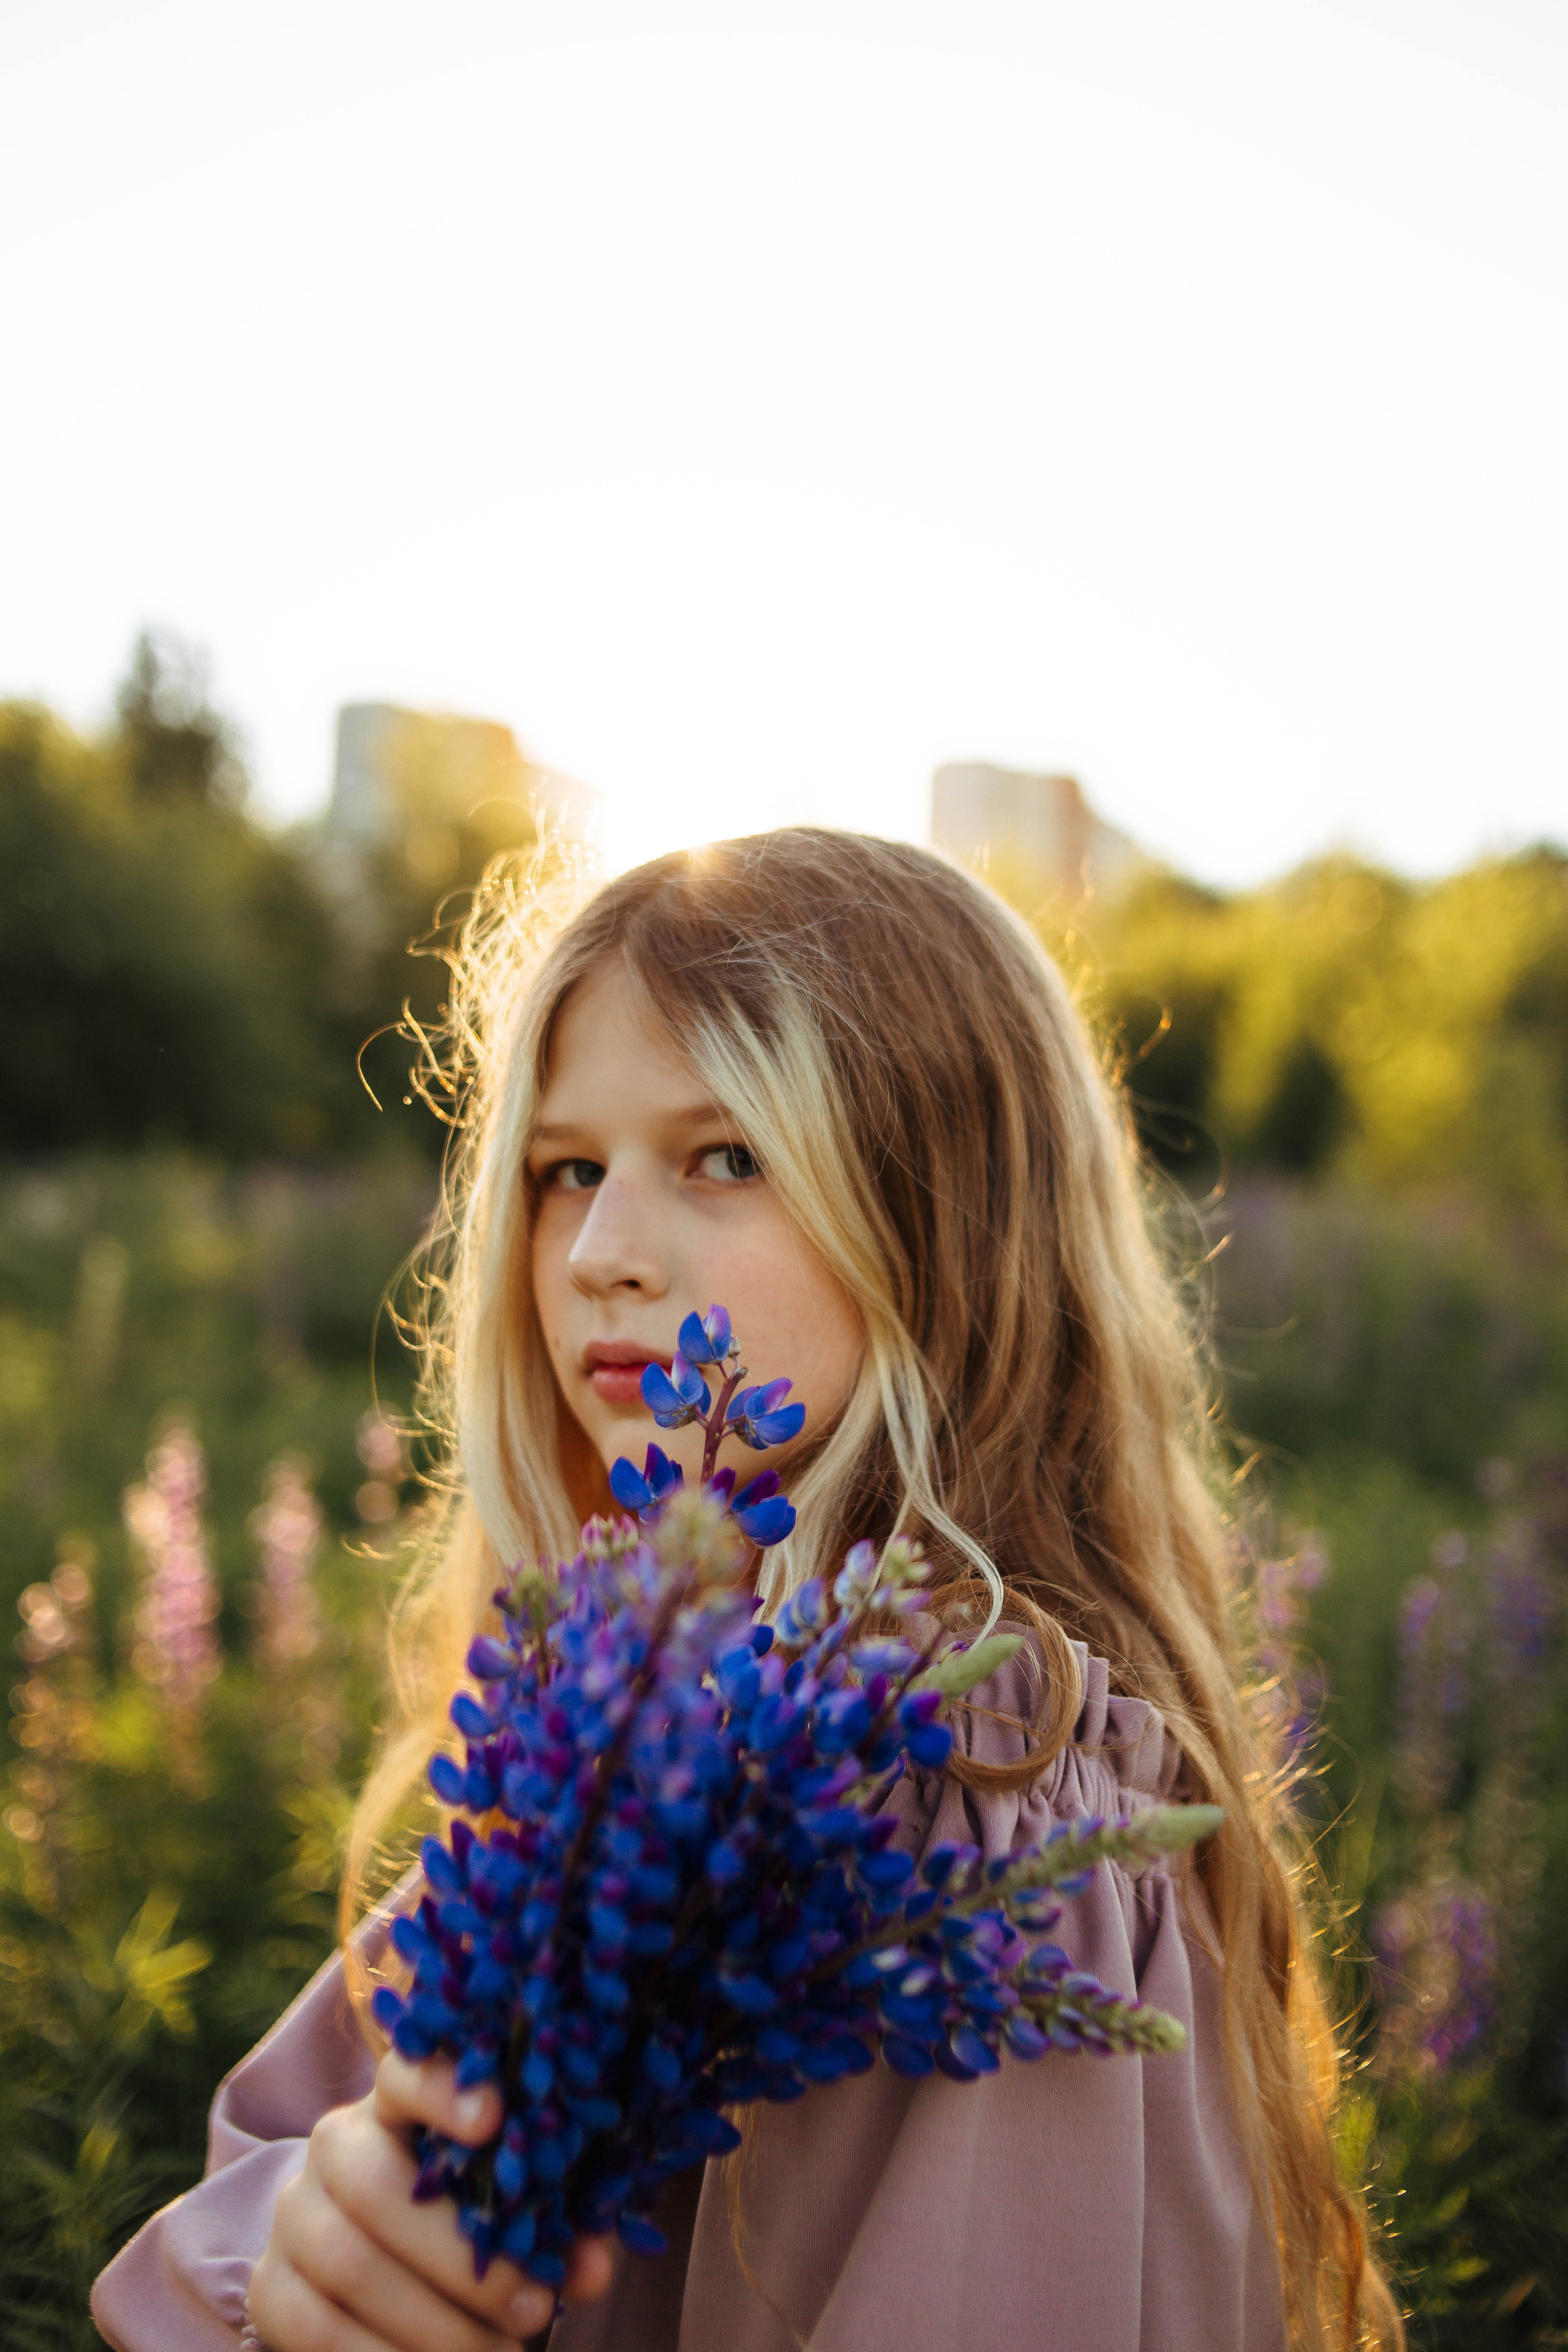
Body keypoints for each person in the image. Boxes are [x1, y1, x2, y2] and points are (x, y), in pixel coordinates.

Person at [91, 829, 1400, 2352]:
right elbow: (277, 2179)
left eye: (725, 1157)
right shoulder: (644, 1726)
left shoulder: (965, 1770)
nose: (600, 1252)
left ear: (948, 1229)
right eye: (566, 1168)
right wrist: (317, 2235)